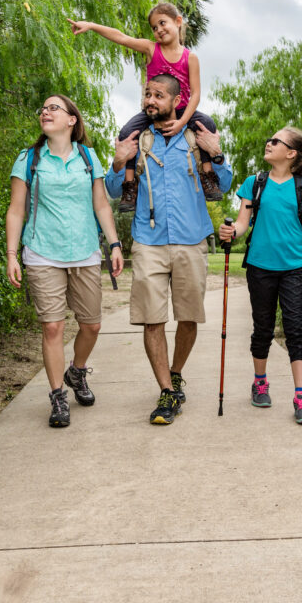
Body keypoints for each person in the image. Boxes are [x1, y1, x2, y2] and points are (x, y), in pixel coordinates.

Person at [105, 75, 232, 425]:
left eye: (158, 95)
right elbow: (114, 191)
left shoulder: (197, 137)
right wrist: (118, 162)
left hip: (191, 239)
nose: (150, 99)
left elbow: (224, 185)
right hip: (148, 242)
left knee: (188, 317)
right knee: (152, 318)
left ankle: (176, 373)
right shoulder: (137, 139)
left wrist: (216, 152)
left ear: (177, 100)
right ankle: (166, 391)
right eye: (147, 94)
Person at [6, 95, 124, 428]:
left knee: (92, 325)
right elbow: (17, 210)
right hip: (42, 252)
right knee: (53, 326)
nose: (45, 112)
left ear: (72, 120)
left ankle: (77, 371)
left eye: (53, 108)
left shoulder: (88, 156)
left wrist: (114, 244)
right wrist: (12, 254)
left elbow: (101, 205)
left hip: (85, 251)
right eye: (42, 108)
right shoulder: (29, 159)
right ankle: (58, 397)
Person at [67, 2, 222, 210]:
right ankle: (130, 186)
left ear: (177, 22)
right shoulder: (151, 49)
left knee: (207, 124)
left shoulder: (190, 58)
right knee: (127, 133)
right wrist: (92, 26)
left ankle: (208, 176)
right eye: (154, 27)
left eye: (162, 23)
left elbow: (196, 94)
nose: (158, 30)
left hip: (182, 109)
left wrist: (182, 122)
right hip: (153, 110)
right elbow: (122, 37)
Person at [219, 127, 302, 424]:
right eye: (270, 139)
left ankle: (301, 396)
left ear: (291, 154)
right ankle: (260, 382)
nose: (269, 142)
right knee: (263, 328)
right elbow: (241, 224)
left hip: (292, 268)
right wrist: (231, 232)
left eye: (276, 141)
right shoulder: (254, 184)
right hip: (260, 267)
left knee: (295, 330)